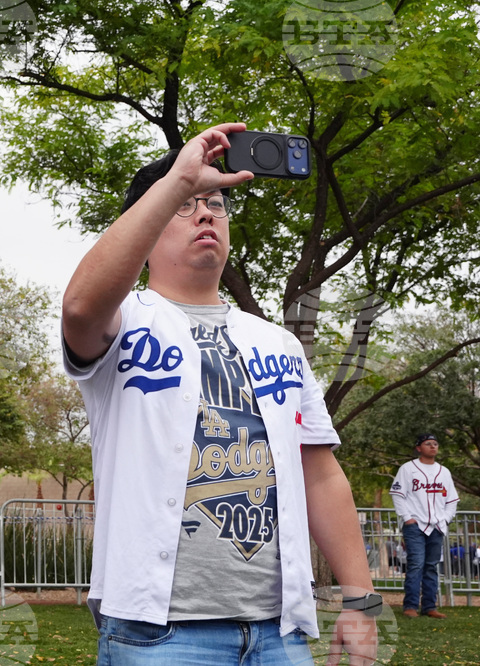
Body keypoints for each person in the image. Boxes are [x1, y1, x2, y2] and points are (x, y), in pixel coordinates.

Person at [61, 123, 379, 664]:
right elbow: (80, 308)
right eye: (186, 203)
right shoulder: (124, 323)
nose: (205, 212)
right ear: (146, 225)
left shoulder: (276, 341)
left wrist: (361, 600)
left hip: (278, 635)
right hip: (158, 634)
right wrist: (178, 179)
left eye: (214, 203)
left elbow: (319, 472)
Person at [389, 433, 459, 619]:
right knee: (416, 565)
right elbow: (397, 494)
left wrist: (445, 518)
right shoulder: (407, 469)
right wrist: (407, 517)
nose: (433, 446)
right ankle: (410, 606)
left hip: (437, 526)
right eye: (428, 444)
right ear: (419, 448)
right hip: (415, 525)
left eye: (435, 443)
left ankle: (429, 606)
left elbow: (452, 500)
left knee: (431, 566)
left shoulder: (443, 472)